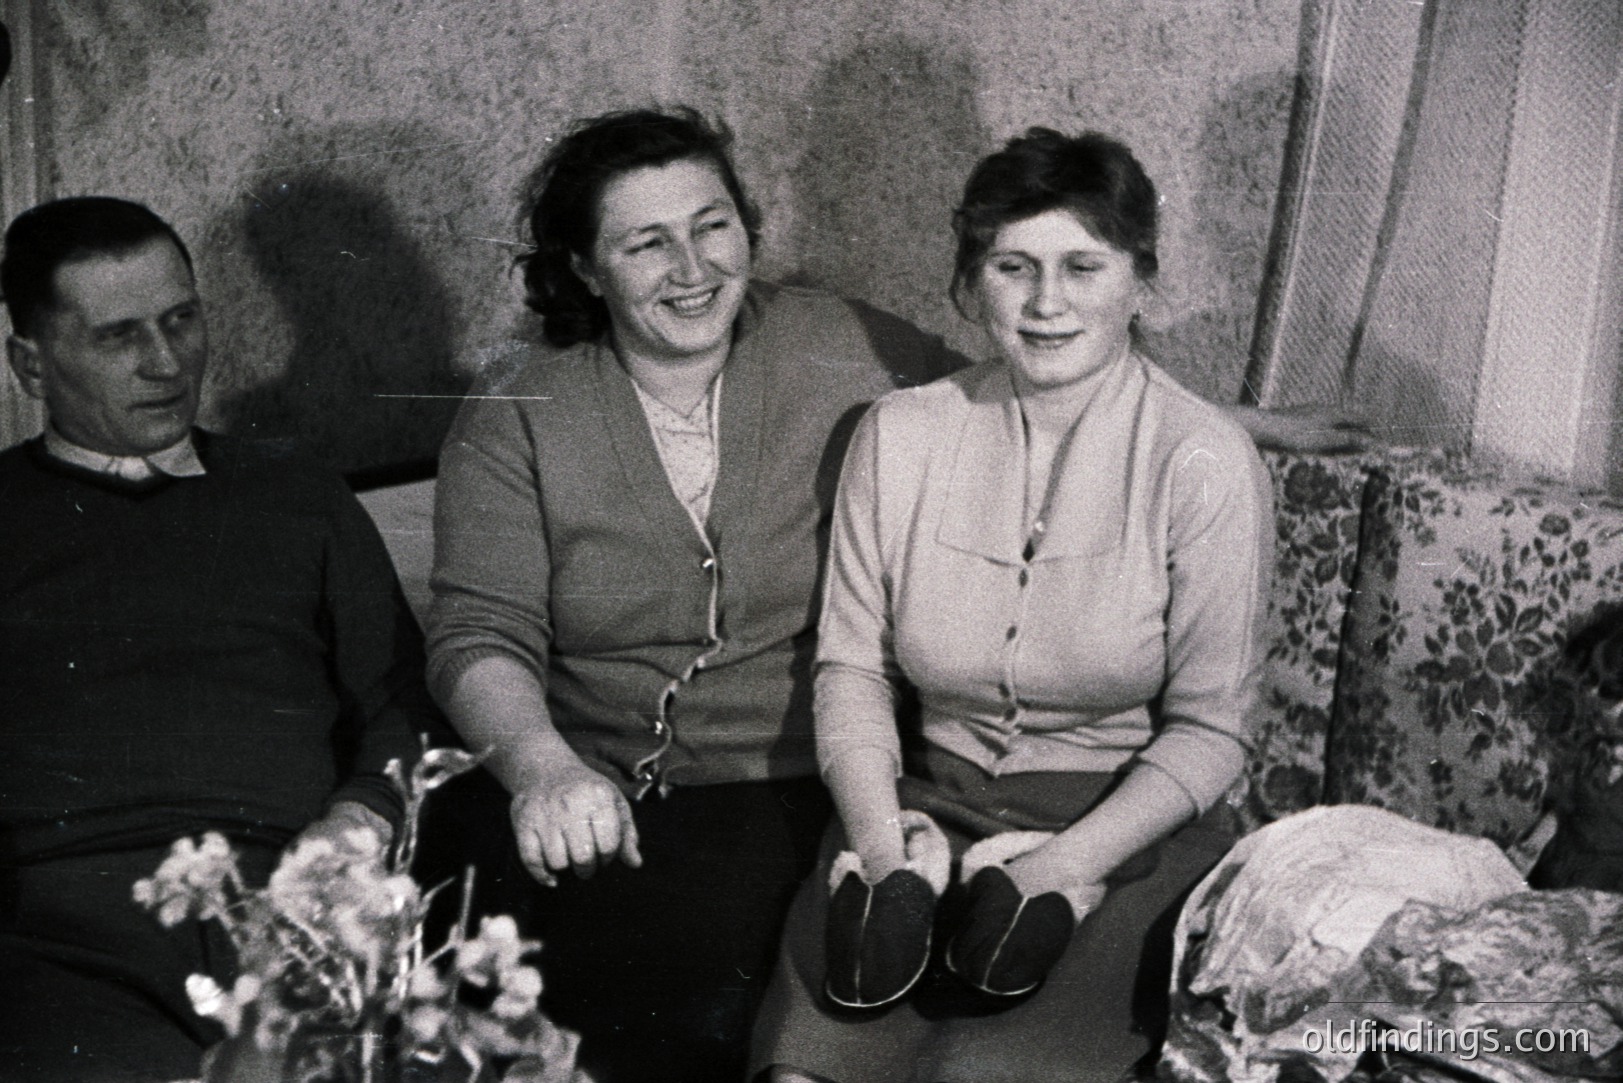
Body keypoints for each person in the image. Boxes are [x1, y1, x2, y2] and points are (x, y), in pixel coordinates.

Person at [427, 107, 1336, 1083]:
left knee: (819, 1035)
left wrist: (1224, 436)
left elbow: (1051, 386)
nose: (691, 267)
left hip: (818, 790)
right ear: (582, 267)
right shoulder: (525, 410)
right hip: (632, 781)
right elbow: (482, 628)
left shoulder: (833, 340)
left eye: (711, 225)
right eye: (647, 243)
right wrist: (543, 768)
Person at [750, 128, 1274, 1083]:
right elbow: (851, 669)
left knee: (980, 1071)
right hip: (918, 806)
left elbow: (1213, 727)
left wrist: (1066, 866)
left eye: (1083, 265)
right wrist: (880, 851)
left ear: (1139, 282)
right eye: (1012, 265)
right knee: (809, 1069)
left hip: (1126, 822)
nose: (1044, 302)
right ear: (968, 280)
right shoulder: (898, 435)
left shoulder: (1203, 461)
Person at [0, 197, 437, 1082]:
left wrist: (352, 830)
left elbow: (399, 709)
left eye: (181, 319)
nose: (165, 363)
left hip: (289, 902)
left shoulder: (295, 495)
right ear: (30, 365)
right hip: (61, 937)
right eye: (119, 336)